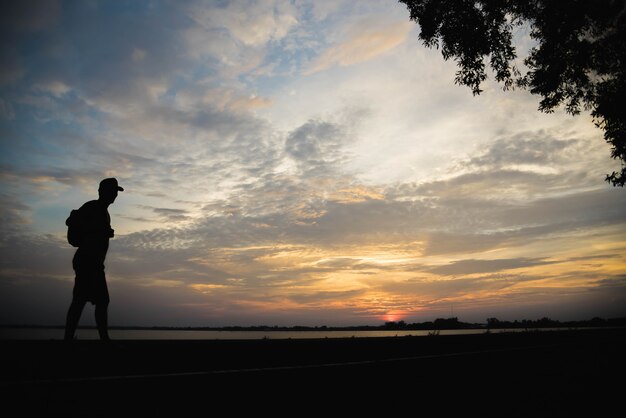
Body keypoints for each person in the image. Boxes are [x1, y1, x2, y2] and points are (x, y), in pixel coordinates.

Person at [64, 178, 124, 341]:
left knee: (88, 300)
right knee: (95, 300)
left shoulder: (104, 212)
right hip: (87, 262)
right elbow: (71, 221)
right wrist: (98, 230)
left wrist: (103, 231)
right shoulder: (92, 207)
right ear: (102, 192)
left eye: (115, 192)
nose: (114, 195)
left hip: (94, 263)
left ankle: (72, 338)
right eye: (112, 191)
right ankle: (98, 339)